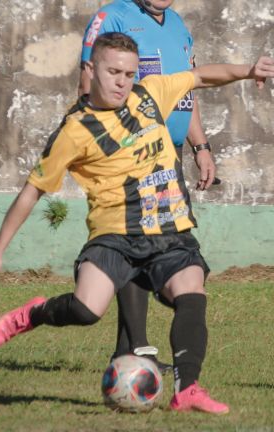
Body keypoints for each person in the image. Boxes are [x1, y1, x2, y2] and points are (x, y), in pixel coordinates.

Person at [0, 32, 274, 414]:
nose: (122, 82)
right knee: (85, 311)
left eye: (129, 73)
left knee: (192, 294)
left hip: (169, 231)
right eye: (113, 72)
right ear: (91, 69)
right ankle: (33, 314)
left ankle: (188, 389)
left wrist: (247, 70)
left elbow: (200, 77)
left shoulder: (148, 94)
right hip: (115, 235)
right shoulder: (75, 130)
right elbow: (32, 191)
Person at [79, 0, 217, 372]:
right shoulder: (115, 16)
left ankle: (128, 350)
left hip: (168, 155)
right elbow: (89, 82)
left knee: (156, 244)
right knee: (133, 241)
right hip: (129, 152)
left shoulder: (177, 26)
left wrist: (200, 146)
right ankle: (136, 346)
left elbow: (185, 92)